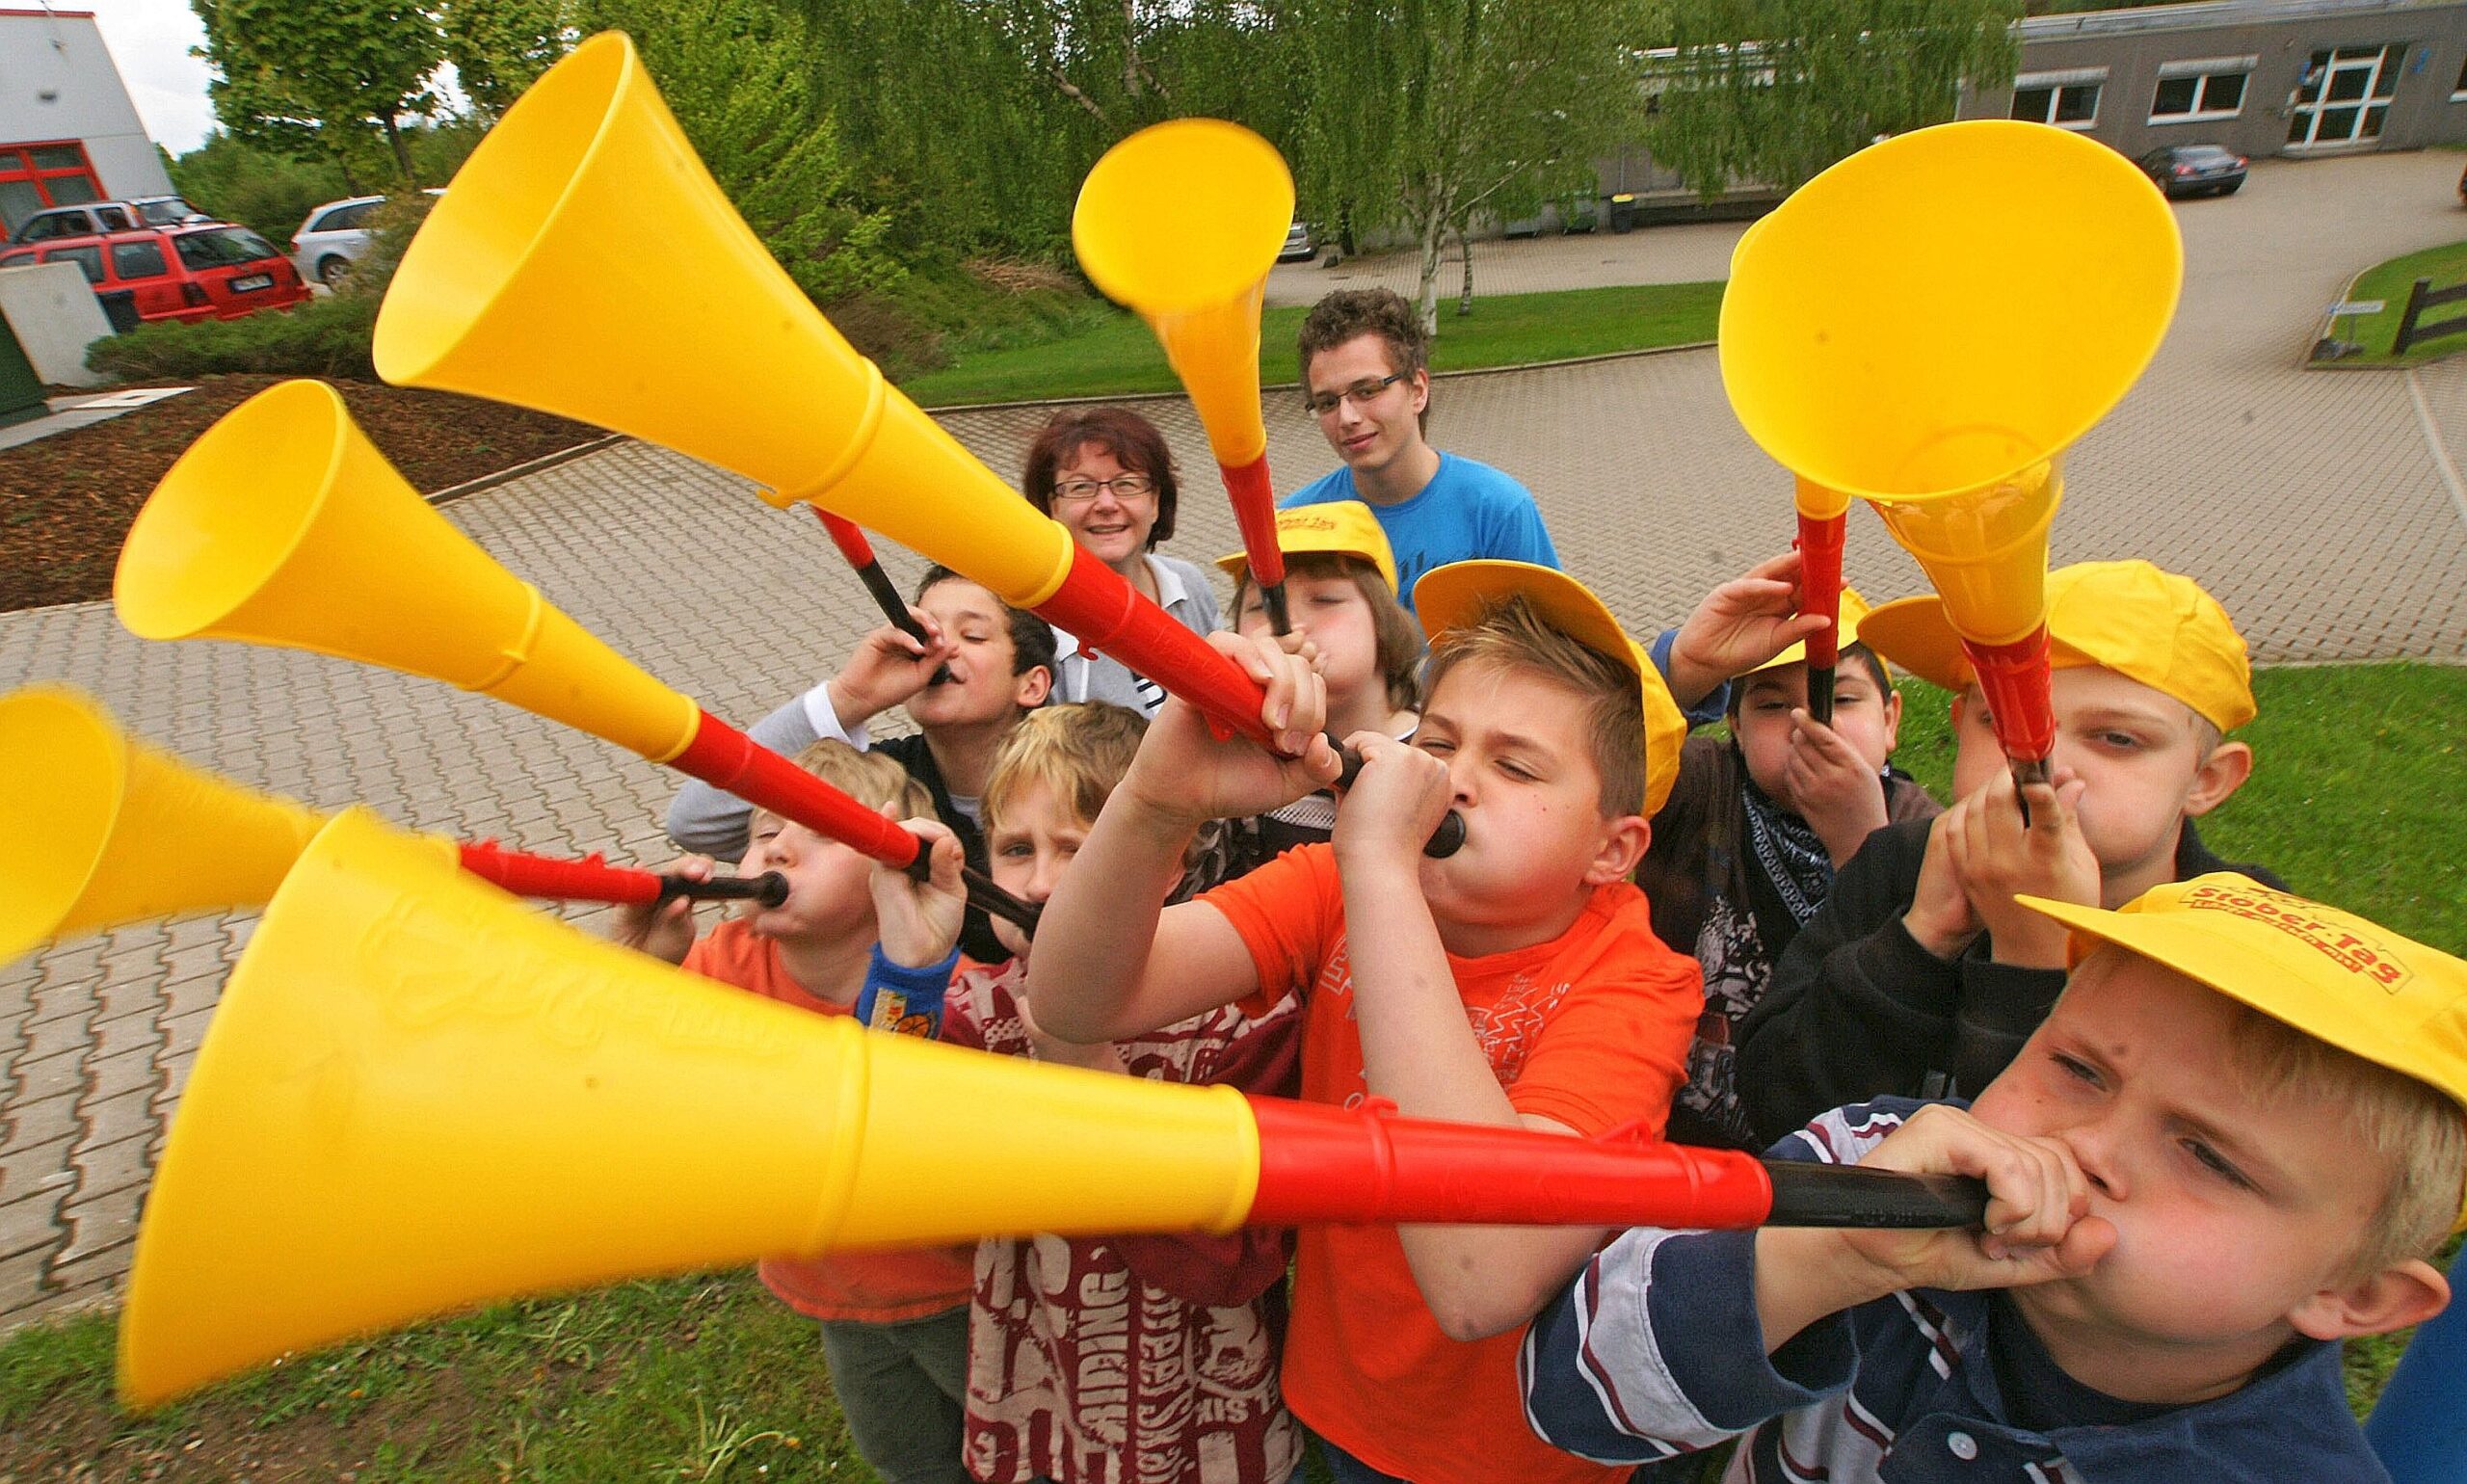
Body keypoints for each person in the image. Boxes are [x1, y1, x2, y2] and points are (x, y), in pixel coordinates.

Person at [1024, 561, 1702, 1484]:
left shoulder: (1638, 984)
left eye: (1513, 765)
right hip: (1344, 1404)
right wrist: (1156, 801)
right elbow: (1075, 1001)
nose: (1447, 782)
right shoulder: (1334, 883)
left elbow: (1482, 1279)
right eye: (1437, 741)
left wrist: (1381, 863)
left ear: (1612, 849)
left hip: (1526, 1454)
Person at [1523, 873, 2466, 1483]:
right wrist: (1825, 1260)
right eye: (2079, 1069)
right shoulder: (1872, 1163)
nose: (2090, 1144)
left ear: (2357, 1294)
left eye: (2208, 1155)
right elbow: (1569, 1396)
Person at [860, 702, 1306, 1484]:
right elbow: (895, 1175)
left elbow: (1237, 1263)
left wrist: (1090, 1065)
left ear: (1165, 863)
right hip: (1044, 1408)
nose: (1039, 883)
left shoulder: (1242, 1018)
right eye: (1015, 848)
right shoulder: (976, 1009)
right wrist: (909, 963)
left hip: (1206, 1419)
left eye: (1079, 849)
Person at [1735, 559, 2273, 1147]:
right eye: (2002, 719)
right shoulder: (1896, 867)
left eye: (2116, 738)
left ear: (2208, 780)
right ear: (1961, 724)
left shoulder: (2237, 939)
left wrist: (2032, 962)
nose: (2038, 760)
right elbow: (1774, 1104)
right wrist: (1917, 941)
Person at [615, 741, 975, 1484]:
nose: (776, 844)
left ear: (892, 868)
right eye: (761, 832)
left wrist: (909, 971)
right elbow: (630, 1084)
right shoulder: (723, 961)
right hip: (831, 1289)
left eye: (818, 828)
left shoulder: (959, 991)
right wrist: (642, 969)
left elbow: (896, 1118)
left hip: (960, 1291)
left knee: (1013, 1451)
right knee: (907, 1457)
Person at [1640, 576, 1942, 1150]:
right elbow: (1597, 755)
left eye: (1843, 700)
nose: (1811, 724)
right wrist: (1680, 672)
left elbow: (1919, 1018)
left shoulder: (1930, 840)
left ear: (1892, 720)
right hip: (1673, 1144)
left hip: (1841, 1161)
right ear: (1734, 723)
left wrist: (1864, 851)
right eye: (1774, 705)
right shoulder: (1698, 786)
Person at [664, 566, 1054, 964]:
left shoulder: (1081, 772)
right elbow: (698, 821)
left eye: (972, 635)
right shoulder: (884, 784)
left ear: (1032, 685)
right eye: (925, 630)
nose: (941, 648)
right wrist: (850, 698)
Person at [1281, 289, 1556, 605]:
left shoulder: (1497, 510)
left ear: (1418, 390)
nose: (1347, 417)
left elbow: (1548, 647)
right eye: (1327, 402)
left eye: (1367, 391)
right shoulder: (1298, 524)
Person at [1219, 500, 1423, 862]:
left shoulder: (1441, 751)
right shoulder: (1232, 759)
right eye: (1258, 608)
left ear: (1384, 623)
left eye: (1325, 600)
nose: (1288, 624)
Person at [1021, 406, 1223, 714]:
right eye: (1081, 487)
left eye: (1126, 484)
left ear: (1155, 502)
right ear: (1053, 508)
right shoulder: (1035, 627)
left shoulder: (1187, 584)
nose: (1106, 504)